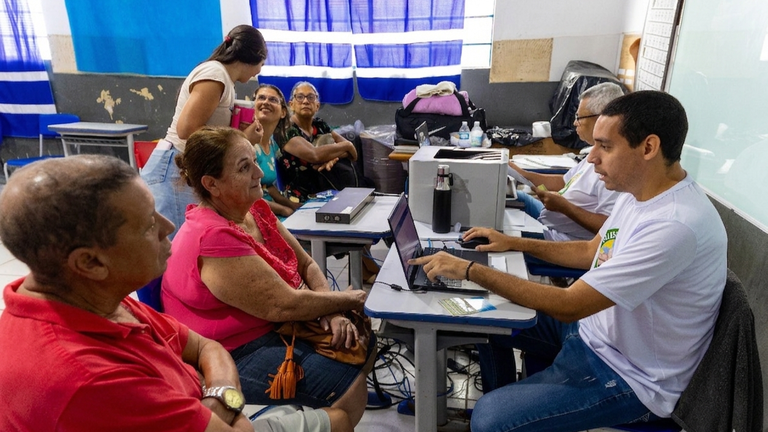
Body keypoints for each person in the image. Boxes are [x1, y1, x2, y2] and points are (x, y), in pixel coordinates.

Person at [412, 91, 728, 431]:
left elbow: (569, 305)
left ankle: (510, 413)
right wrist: (512, 243)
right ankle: (517, 404)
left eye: (605, 147)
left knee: (489, 420)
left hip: (628, 375)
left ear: (649, 147)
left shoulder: (675, 225)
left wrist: (470, 269)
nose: (592, 158)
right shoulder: (639, 195)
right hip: (594, 331)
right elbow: (590, 251)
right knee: (483, 319)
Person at [0, 155, 352, 432]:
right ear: (90, 262)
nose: (168, 226)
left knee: (335, 416)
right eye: (149, 225)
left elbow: (204, 347)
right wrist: (229, 405)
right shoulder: (87, 379)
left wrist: (218, 399)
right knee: (338, 417)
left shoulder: (85, 295)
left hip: (210, 405)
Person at [161, 127, 375, 428]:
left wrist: (335, 310)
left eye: (254, 161)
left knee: (359, 337)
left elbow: (307, 264)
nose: (259, 173)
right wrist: (357, 298)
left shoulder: (254, 208)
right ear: (212, 184)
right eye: (244, 167)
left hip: (273, 325)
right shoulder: (214, 237)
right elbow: (284, 305)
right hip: (232, 350)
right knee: (351, 390)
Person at [142, 25, 267, 238]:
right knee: (176, 245)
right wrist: (244, 139)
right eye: (262, 64)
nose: (259, 71)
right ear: (255, 57)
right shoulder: (215, 74)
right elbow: (187, 129)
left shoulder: (224, 78)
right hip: (173, 167)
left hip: (186, 167)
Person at [510, 82, 625, 241]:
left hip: (564, 239)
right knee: (513, 198)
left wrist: (565, 207)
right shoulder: (593, 152)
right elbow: (565, 182)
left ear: (601, 118)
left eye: (579, 117)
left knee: (498, 235)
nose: (574, 123)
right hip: (551, 217)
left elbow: (607, 227)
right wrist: (521, 173)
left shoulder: (616, 169)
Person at [278, 81, 362, 203]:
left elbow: (353, 155)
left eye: (311, 97)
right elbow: (315, 155)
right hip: (300, 198)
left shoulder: (320, 124)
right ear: (291, 104)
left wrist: (330, 157)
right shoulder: (287, 130)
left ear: (317, 106)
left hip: (328, 190)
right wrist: (347, 145)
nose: (305, 101)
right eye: (300, 97)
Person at [251, 84, 302, 217]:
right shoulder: (246, 143)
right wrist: (283, 210)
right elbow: (242, 195)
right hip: (251, 213)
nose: (266, 102)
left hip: (269, 209)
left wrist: (292, 205)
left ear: (283, 112)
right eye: (261, 98)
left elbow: (267, 186)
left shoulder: (272, 142)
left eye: (273, 100)